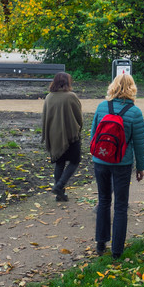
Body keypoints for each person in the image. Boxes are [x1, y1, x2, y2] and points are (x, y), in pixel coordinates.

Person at [90, 72, 144, 259]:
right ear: (132, 88)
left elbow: (93, 135)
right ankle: (117, 250)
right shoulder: (134, 112)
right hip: (122, 163)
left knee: (104, 200)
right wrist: (140, 167)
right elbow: (139, 143)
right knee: (121, 205)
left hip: (101, 161)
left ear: (112, 86)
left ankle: (100, 243)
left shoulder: (101, 107)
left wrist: (96, 157)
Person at [42, 72, 83, 202]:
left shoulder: (49, 97)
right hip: (71, 135)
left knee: (59, 163)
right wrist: (78, 129)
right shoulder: (71, 96)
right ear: (67, 82)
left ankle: (60, 194)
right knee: (75, 161)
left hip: (54, 136)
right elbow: (78, 117)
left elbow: (46, 118)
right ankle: (59, 186)